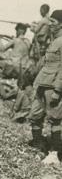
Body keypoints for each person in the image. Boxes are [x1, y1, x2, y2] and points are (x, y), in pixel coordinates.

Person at [28, 10, 62, 164]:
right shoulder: (53, 40)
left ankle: (54, 153)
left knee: (54, 119)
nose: (50, 24)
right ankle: (38, 145)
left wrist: (57, 90)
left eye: (54, 22)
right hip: (42, 84)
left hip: (53, 86)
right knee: (35, 115)